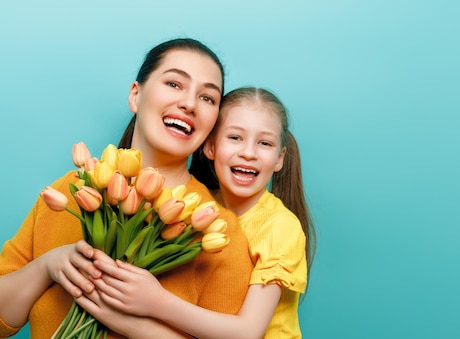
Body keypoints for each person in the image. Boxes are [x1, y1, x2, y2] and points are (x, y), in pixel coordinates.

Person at [0, 38, 253, 338]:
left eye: (208, 98)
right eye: (174, 84)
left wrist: (138, 323)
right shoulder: (74, 190)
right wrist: (47, 266)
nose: (189, 103)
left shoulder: (217, 230)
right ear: (136, 95)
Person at [88, 87, 316, 338]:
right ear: (210, 147)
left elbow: (247, 332)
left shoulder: (279, 226)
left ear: (279, 159)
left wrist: (154, 301)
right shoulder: (199, 206)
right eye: (235, 138)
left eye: (265, 143)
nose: (249, 153)